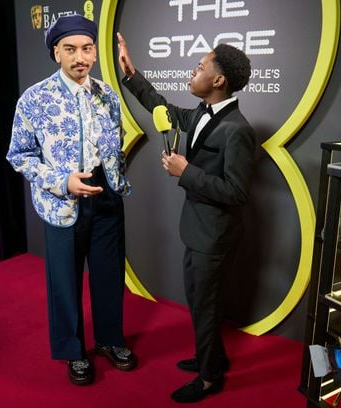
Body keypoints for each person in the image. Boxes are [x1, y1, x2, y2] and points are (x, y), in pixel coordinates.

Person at [117, 33, 257, 402]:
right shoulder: (201, 114)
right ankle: (214, 358)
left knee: (205, 305)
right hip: (198, 230)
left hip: (215, 235)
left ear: (219, 80)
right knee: (200, 301)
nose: (192, 73)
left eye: (199, 68)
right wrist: (133, 77)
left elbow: (237, 193)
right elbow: (162, 108)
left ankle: (211, 377)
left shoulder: (238, 130)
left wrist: (185, 171)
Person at [6, 14, 136, 386]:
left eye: (87, 48)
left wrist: (113, 176)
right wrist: (62, 180)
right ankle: (71, 349)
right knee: (64, 279)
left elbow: (116, 139)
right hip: (62, 200)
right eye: (70, 49)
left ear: (95, 50)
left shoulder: (106, 93)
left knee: (110, 274)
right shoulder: (34, 99)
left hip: (106, 194)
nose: (80, 57)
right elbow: (19, 155)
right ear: (55, 53)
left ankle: (110, 340)